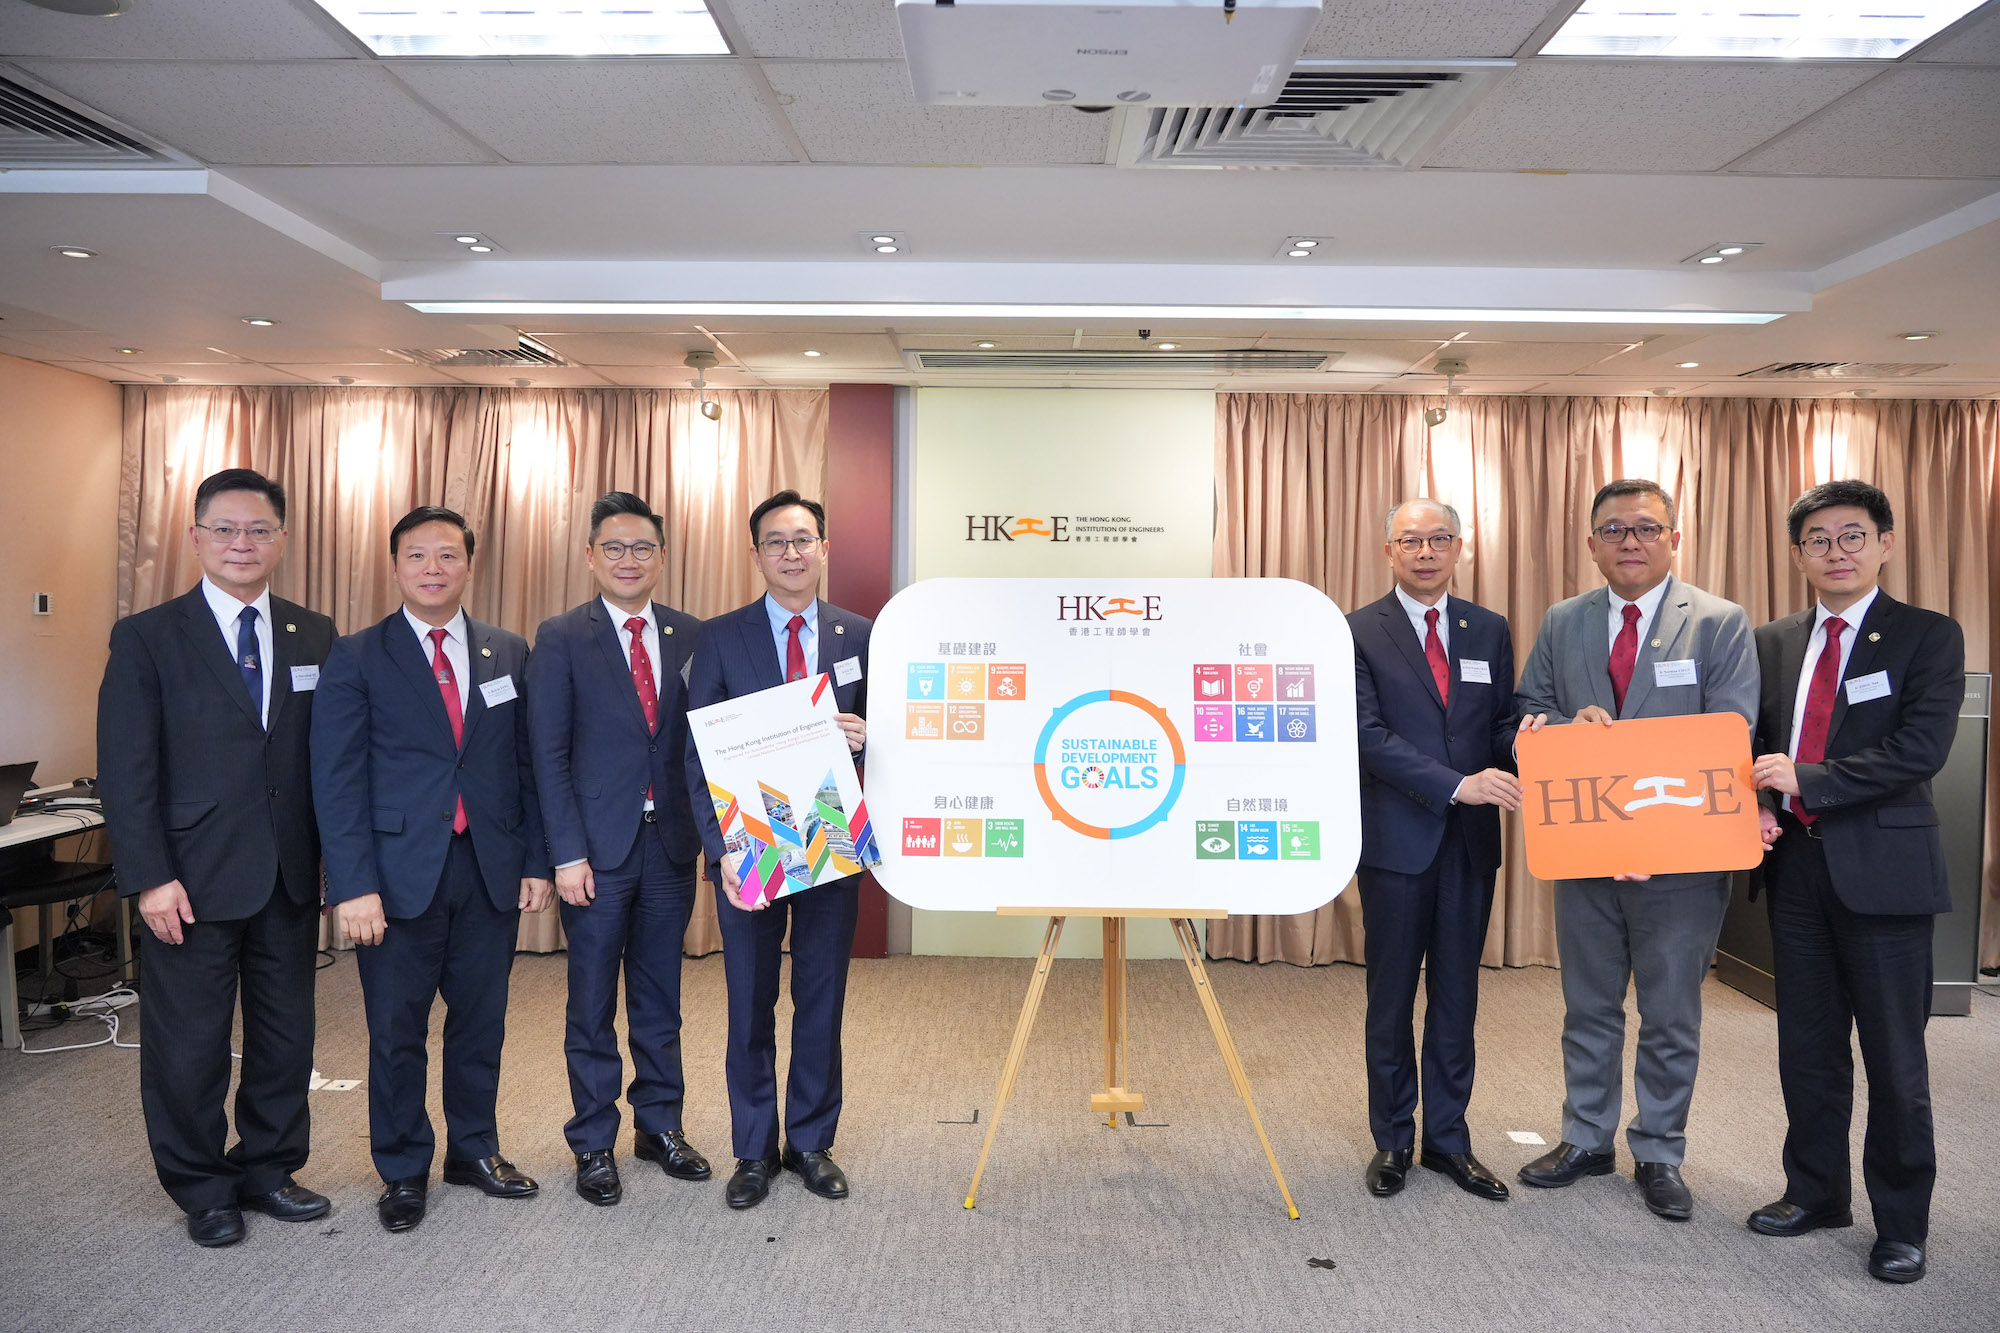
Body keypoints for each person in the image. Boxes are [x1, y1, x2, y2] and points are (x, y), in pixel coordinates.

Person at [96, 468, 336, 1248]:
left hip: (289, 876)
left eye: (259, 530)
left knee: (285, 1036)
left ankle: (268, 1167)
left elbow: (323, 761)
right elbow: (127, 768)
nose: (243, 544)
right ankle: (202, 1185)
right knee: (190, 1045)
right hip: (189, 881)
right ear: (196, 538)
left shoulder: (314, 631)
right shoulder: (148, 635)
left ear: (283, 540)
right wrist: (148, 876)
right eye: (226, 530)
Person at [1514, 478, 1758, 1220]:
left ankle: (1658, 1149)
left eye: (1647, 528)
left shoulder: (1719, 622)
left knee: (1671, 1013)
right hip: (1586, 857)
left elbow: (1732, 734)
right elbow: (1527, 713)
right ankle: (1586, 1137)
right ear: (1591, 545)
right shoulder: (1564, 621)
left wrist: (1653, 836)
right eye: (1614, 530)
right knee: (1587, 1007)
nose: (1630, 541)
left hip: (1679, 865)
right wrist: (1561, 727)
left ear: (1674, 538)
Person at [312, 505, 554, 1234]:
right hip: (392, 876)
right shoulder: (357, 655)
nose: (432, 569)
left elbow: (528, 766)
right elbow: (337, 776)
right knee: (395, 1030)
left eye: (447, 556)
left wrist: (536, 859)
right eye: (417, 556)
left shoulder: (507, 651)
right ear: (395, 567)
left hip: (488, 869)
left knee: (482, 1022)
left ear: (469, 565)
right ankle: (403, 1165)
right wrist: (350, 883)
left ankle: (474, 1149)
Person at [1745, 479, 1962, 1285]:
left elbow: (1920, 750)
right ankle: (1816, 1192)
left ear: (1885, 543)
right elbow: (1754, 742)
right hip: (1795, 869)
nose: (1835, 551)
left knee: (1896, 1059)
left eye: (1852, 536)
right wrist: (1763, 802)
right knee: (1806, 1048)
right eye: (1818, 540)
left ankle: (1902, 1222)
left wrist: (1807, 779)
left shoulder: (1927, 636)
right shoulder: (1771, 640)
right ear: (1798, 553)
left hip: (1885, 874)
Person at [684, 489, 870, 1209]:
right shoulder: (721, 636)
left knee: (821, 998)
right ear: (756, 553)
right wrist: (720, 849)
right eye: (776, 541)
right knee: (750, 1002)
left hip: (829, 838)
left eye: (803, 539)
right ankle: (755, 1148)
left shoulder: (861, 633)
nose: (791, 553)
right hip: (750, 847)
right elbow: (695, 752)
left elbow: (897, 733)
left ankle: (813, 1142)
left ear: (825, 547)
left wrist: (868, 735)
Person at [527, 491, 709, 1206]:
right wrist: (564, 853)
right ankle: (593, 1140)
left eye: (643, 549)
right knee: (593, 1003)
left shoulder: (692, 633)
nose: (629, 560)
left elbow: (712, 738)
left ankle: (659, 1125)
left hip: (669, 847)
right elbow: (548, 752)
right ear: (591, 556)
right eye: (615, 548)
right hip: (594, 854)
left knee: (662, 1000)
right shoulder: (562, 636)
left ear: (662, 557)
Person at [1348, 499, 1521, 1202]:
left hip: (1471, 846)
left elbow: (1502, 723)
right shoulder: (1359, 629)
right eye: (1411, 541)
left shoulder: (1489, 628)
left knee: (1458, 996)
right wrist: (1457, 785)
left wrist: (1547, 740)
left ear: (1460, 547)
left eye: (1438, 539)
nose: (1425, 552)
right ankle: (1392, 1137)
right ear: (1389, 549)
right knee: (1390, 997)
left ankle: (1448, 1138)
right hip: (1397, 840)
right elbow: (1367, 735)